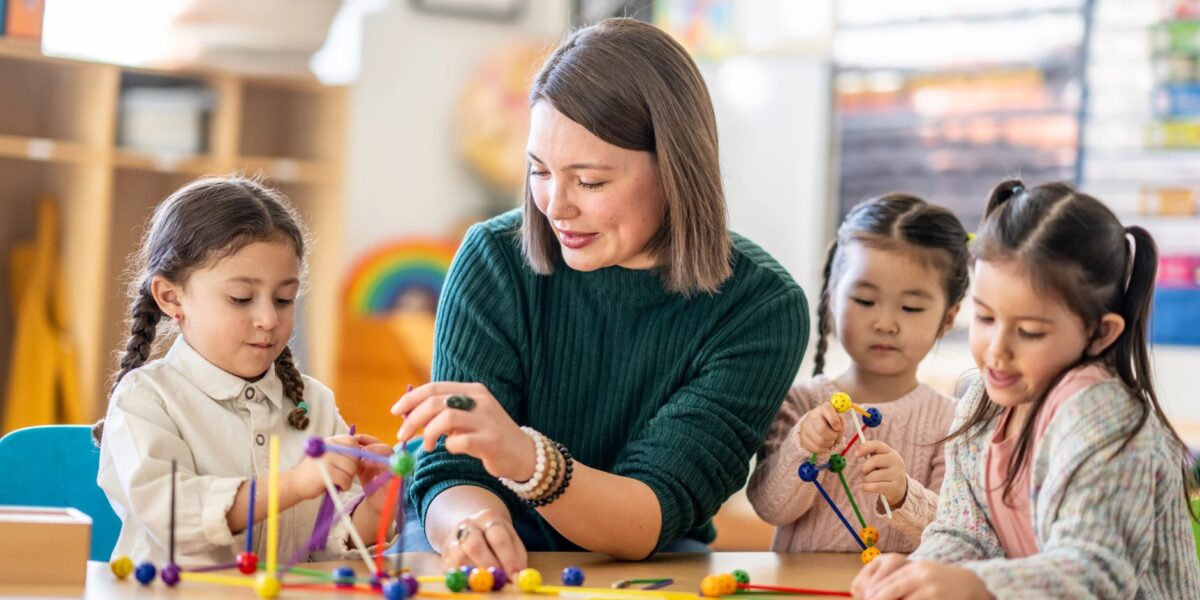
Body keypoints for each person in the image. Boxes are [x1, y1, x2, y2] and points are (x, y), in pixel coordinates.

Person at [391, 18, 809, 573]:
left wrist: (524, 457)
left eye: (589, 182)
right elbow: (451, 473)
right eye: (539, 170)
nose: (555, 206)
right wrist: (475, 526)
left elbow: (651, 513)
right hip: (480, 525)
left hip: (645, 547)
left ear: (677, 172)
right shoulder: (493, 257)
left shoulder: (761, 308)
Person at [853, 181, 1200, 599]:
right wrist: (920, 575)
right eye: (984, 318)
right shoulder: (983, 401)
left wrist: (972, 584)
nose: (997, 351)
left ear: (1099, 334)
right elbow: (965, 531)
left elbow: (1095, 573)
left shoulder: (1105, 420)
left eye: (1030, 331)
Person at [96, 176, 394, 565]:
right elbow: (173, 516)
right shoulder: (146, 400)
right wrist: (293, 485)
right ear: (171, 297)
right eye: (241, 298)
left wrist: (375, 508)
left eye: (285, 299)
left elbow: (329, 541)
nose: (269, 318)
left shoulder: (314, 404)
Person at [748, 194, 969, 553]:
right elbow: (770, 508)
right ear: (833, 300)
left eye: (911, 307)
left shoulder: (951, 422)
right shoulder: (801, 402)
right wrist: (804, 446)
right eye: (865, 301)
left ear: (947, 319)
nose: (885, 324)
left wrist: (903, 494)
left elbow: (957, 537)